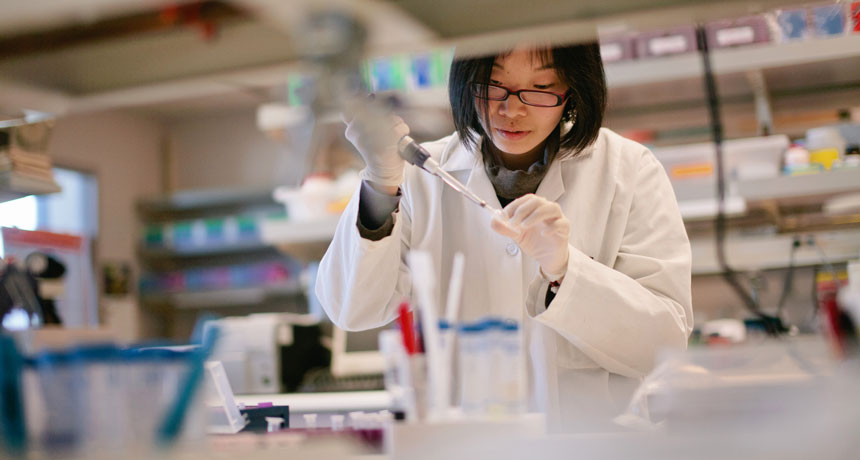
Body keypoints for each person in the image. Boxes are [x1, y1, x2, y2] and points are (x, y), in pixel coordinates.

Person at [316, 42, 693, 432]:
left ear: (573, 90)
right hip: (468, 444)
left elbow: (662, 348)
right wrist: (381, 184)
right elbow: (352, 308)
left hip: (592, 446)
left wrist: (566, 270)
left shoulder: (628, 171)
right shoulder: (419, 175)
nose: (511, 110)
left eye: (541, 87)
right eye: (493, 85)